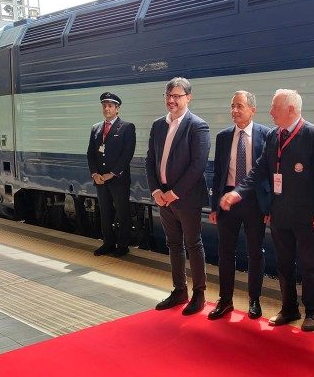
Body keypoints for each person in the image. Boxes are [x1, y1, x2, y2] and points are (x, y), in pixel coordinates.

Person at [220, 89, 314, 332]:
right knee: (283, 264)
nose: (270, 112)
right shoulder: (274, 136)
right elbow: (259, 170)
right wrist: (237, 192)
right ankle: (289, 308)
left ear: (290, 110)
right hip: (280, 214)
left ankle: (312, 311)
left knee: (309, 264)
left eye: (274, 108)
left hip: (307, 217)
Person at [145, 77, 210, 316]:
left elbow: (198, 165)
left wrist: (174, 193)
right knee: (173, 244)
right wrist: (156, 191)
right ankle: (179, 290)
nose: (171, 100)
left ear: (188, 98)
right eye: (168, 95)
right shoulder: (158, 125)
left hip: (187, 198)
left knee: (193, 244)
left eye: (177, 96)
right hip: (163, 197)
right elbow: (150, 160)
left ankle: (199, 294)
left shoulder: (198, 126)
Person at [207, 91, 271, 320]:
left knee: (255, 252)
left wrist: (269, 207)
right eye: (232, 106)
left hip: (255, 202)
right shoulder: (224, 137)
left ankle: (254, 300)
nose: (234, 110)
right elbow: (217, 174)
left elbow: (270, 173)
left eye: (239, 106)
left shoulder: (266, 134)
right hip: (227, 201)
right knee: (225, 252)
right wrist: (214, 206)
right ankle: (225, 301)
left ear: (252, 110)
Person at [86, 92, 136, 257]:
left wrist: (112, 174)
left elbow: (127, 154)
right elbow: (91, 154)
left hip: (118, 179)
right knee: (105, 212)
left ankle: (122, 246)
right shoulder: (96, 128)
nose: (107, 109)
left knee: (122, 213)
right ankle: (108, 243)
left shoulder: (127, 127)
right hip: (100, 180)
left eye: (110, 106)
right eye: (104, 106)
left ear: (117, 109)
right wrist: (94, 174)